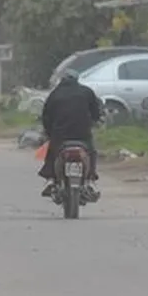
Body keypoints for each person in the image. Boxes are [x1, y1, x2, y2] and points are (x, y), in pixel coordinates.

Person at [39, 67, 103, 198]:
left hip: (60, 135)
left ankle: (50, 179)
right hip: (82, 134)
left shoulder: (55, 94)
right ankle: (90, 179)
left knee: (52, 153)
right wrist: (95, 121)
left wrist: (49, 132)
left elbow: (46, 116)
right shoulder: (87, 92)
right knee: (91, 152)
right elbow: (96, 113)